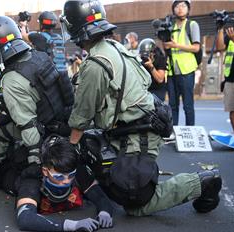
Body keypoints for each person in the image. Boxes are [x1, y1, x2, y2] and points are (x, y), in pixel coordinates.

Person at [60, 0, 222, 216]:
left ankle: (201, 183)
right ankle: (124, 178)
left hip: (139, 133)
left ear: (74, 27)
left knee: (136, 204)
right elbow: (145, 79)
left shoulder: (95, 64)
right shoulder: (115, 47)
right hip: (145, 120)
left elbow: (82, 116)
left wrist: (69, 149)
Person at [0, 16, 74, 198]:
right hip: (62, 122)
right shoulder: (40, 56)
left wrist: (35, 162)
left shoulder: (12, 78)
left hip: (43, 131)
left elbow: (28, 124)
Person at [14, 135, 113, 232]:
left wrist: (105, 211)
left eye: (70, 176)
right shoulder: (32, 179)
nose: (66, 180)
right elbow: (25, 218)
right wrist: (72, 225)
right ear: (45, 171)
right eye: (59, 177)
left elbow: (98, 195)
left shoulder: (75, 169)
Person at [163, 0, 201, 126]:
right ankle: (173, 133)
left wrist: (175, 45)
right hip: (172, 70)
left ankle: (191, 132)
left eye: (183, 6)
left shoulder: (192, 25)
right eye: (177, 6)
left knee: (188, 105)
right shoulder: (170, 26)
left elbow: (196, 48)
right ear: (173, 9)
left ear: (188, 9)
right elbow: (167, 48)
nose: (180, 8)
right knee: (172, 105)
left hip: (186, 70)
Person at [216, 11, 234, 133]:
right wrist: (220, 29)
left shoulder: (233, 36)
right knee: (233, 108)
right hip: (231, 78)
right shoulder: (232, 34)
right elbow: (220, 47)